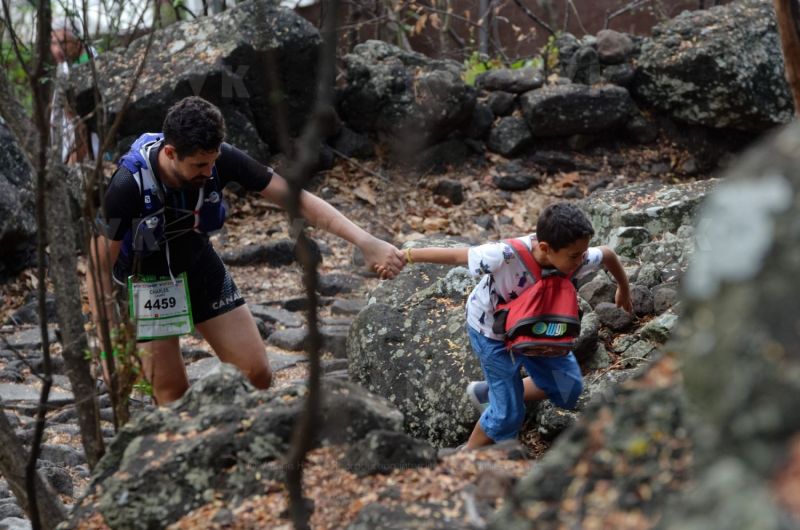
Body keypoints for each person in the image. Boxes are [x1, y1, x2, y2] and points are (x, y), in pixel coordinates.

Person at [88, 96, 405, 404]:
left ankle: (235, 440)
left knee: (257, 373)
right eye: (199, 165)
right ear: (170, 152)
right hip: (149, 282)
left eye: (212, 162)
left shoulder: (220, 158)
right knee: (171, 395)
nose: (208, 172)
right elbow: (98, 267)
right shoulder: (128, 185)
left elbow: (297, 199)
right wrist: (107, 347)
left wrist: (366, 242)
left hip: (199, 264)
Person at [398, 203, 631, 450]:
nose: (581, 260)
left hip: (535, 329)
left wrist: (623, 288)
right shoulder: (505, 255)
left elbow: (606, 253)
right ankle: (465, 457)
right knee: (508, 415)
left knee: (569, 387)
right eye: (574, 256)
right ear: (545, 248)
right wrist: (407, 255)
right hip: (492, 334)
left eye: (583, 253)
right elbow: (458, 255)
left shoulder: (576, 256)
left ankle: (490, 394)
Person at [50, 20, 97, 163]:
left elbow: (82, 124)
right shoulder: (66, 62)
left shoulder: (89, 63)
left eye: (63, 43)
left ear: (78, 42)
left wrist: (72, 162)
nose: (57, 50)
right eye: (53, 43)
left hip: (81, 149)